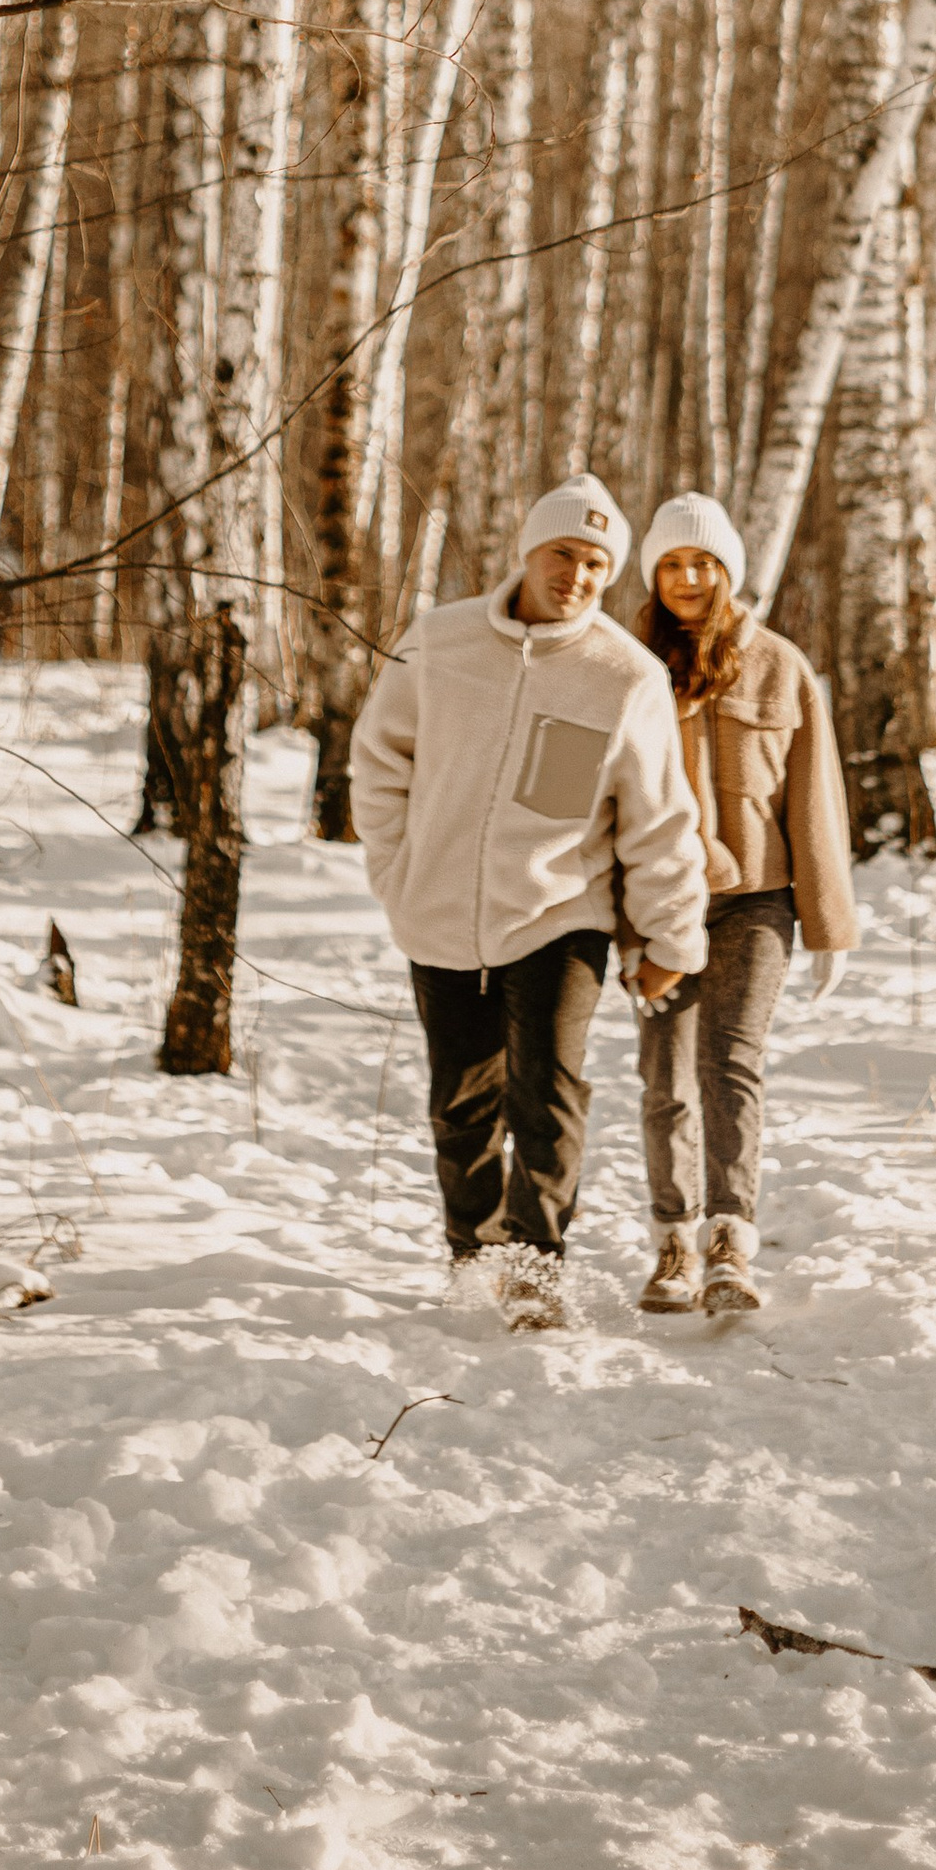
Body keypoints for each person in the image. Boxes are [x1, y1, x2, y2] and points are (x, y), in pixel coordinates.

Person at [351, 475, 707, 1332]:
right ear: (529, 552)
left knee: (549, 1094)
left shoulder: (624, 675)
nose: (577, 575)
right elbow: (377, 760)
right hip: (437, 912)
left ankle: (536, 1267)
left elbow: (659, 821)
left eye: (595, 563)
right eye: (563, 555)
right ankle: (472, 1253)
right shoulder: (440, 641)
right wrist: (399, 872)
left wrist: (671, 935)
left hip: (560, 913)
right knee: (460, 1102)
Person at [629, 492, 856, 1318]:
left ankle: (730, 1238)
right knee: (666, 1078)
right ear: (653, 573)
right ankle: (672, 1242)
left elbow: (814, 799)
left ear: (728, 569)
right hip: (657, 903)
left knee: (731, 1065)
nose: (688, 577)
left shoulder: (780, 665)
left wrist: (829, 924)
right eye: (671, 564)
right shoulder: (625, 662)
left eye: (703, 562)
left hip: (758, 903)